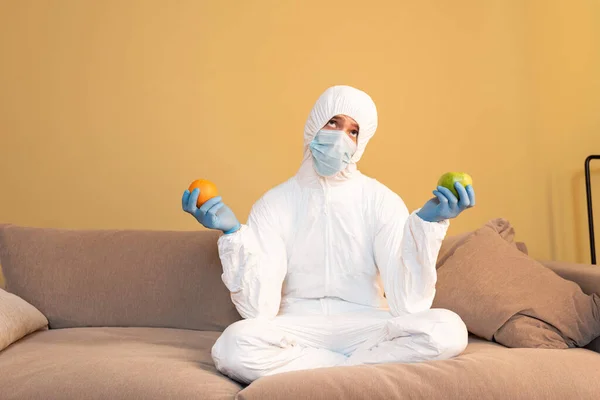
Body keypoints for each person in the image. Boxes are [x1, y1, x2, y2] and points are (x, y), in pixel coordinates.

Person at [182, 85, 476, 384]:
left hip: (367, 324)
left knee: (448, 329)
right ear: (314, 124)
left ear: (361, 143)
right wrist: (232, 234)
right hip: (296, 328)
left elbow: (409, 305)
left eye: (353, 131)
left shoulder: (380, 200)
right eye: (333, 122)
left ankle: (316, 372)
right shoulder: (274, 203)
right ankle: (357, 370)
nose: (339, 137)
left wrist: (426, 224)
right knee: (232, 346)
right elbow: (258, 309)